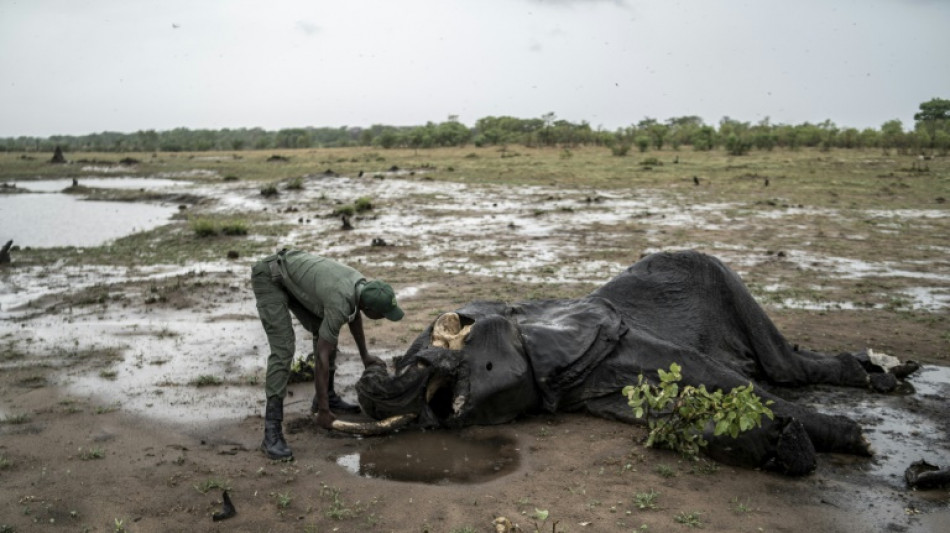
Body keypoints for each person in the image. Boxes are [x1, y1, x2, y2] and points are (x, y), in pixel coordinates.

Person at [251, 249, 404, 460]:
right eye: (381, 315)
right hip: (269, 277)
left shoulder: (359, 285)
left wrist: (365, 356)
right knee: (284, 349)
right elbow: (322, 357)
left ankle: (328, 396)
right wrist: (323, 412)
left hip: (289, 275)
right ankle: (272, 433)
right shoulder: (341, 300)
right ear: (369, 308)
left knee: (324, 329)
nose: (382, 318)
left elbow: (354, 316)